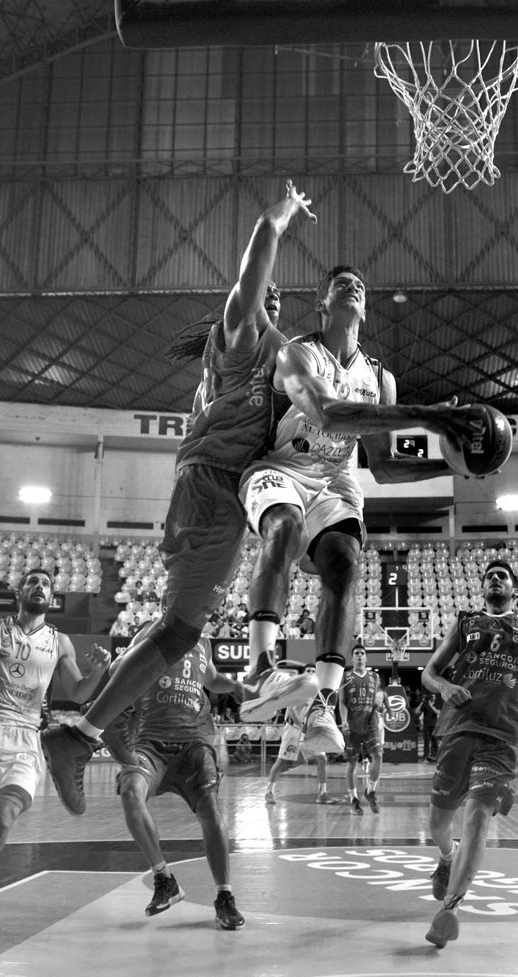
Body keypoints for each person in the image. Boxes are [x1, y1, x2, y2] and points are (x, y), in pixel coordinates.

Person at [39, 181, 319, 816]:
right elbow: (254, 268)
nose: (269, 292)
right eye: (263, 285)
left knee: (183, 630)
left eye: (275, 289)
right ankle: (77, 736)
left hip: (223, 491)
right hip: (210, 485)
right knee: (176, 628)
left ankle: (84, 733)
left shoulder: (282, 358)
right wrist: (276, 220)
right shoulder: (243, 334)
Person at [237, 262, 485, 748]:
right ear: (322, 304)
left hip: (335, 482)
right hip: (280, 467)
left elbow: (387, 463)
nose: (352, 288)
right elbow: (329, 413)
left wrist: (452, 468)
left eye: (359, 287)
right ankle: (259, 669)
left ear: (365, 310)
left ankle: (324, 707)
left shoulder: (381, 378)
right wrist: (428, 416)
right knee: (285, 526)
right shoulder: (297, 354)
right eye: (340, 285)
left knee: (345, 563)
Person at [420, 560, 518, 948]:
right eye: (489, 576)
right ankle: (446, 858)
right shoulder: (465, 621)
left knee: (478, 817)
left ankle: (452, 908)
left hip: (503, 736)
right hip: (459, 728)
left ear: (514, 588)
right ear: (483, 588)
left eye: (503, 576)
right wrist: (444, 687)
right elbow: (428, 673)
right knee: (437, 825)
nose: (495, 579)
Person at [105, 636, 246, 929]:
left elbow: (212, 678)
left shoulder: (203, 642)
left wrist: (234, 685)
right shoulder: (150, 631)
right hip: (150, 742)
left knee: (209, 808)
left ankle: (224, 896)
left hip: (193, 742)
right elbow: (117, 669)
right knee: (130, 792)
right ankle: (164, 879)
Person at [0, 568, 111, 848]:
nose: (40, 586)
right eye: (33, 582)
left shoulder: (60, 642)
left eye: (46, 584)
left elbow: (78, 693)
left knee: (5, 815)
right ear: (19, 594)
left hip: (25, 740)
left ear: (51, 596)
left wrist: (98, 671)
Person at [264, 666, 336, 805]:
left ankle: (322, 794)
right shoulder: (296, 689)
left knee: (322, 759)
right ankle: (269, 792)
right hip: (293, 729)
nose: (310, 673)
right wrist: (301, 726)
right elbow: (291, 711)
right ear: (304, 674)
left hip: (309, 730)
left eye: (313, 671)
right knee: (282, 761)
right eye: (308, 671)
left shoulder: (319, 693)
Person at [338, 643, 388, 814]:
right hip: (352, 725)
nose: (360, 656)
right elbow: (342, 702)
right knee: (352, 763)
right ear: (352, 658)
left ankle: (371, 791)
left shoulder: (374, 677)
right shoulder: (346, 676)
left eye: (362, 653)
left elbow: (375, 700)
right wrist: (344, 720)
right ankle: (353, 799)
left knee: (378, 756)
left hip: (370, 723)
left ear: (366, 658)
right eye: (357, 653)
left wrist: (378, 710)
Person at [415, 689, 440, 762]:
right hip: (426, 725)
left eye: (434, 696)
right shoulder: (425, 704)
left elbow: (438, 712)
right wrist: (421, 703)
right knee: (426, 741)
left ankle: (436, 756)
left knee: (435, 741)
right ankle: (425, 756)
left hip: (434, 725)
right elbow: (417, 712)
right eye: (432, 696)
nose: (434, 697)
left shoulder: (436, 704)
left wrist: (431, 706)